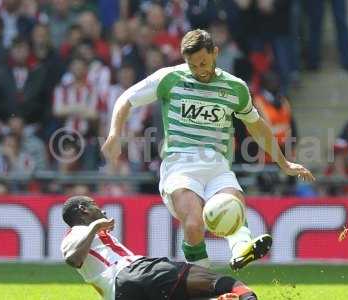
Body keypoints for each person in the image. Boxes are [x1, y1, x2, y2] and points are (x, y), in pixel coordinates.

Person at [101, 29, 315, 270]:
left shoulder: (235, 88)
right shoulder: (170, 79)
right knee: (193, 224)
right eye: (192, 65)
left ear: (215, 53)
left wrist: (283, 163)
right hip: (179, 166)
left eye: (203, 62)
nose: (199, 69)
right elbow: (126, 99)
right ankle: (202, 282)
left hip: (217, 167)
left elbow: (257, 126)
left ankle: (241, 249)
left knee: (233, 202)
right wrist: (114, 133)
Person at [61, 195, 259, 300]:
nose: (101, 209)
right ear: (83, 210)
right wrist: (96, 225)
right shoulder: (77, 231)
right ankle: (247, 297)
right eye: (94, 205)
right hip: (137, 271)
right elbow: (73, 258)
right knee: (220, 282)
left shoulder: (92, 237)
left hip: (120, 294)